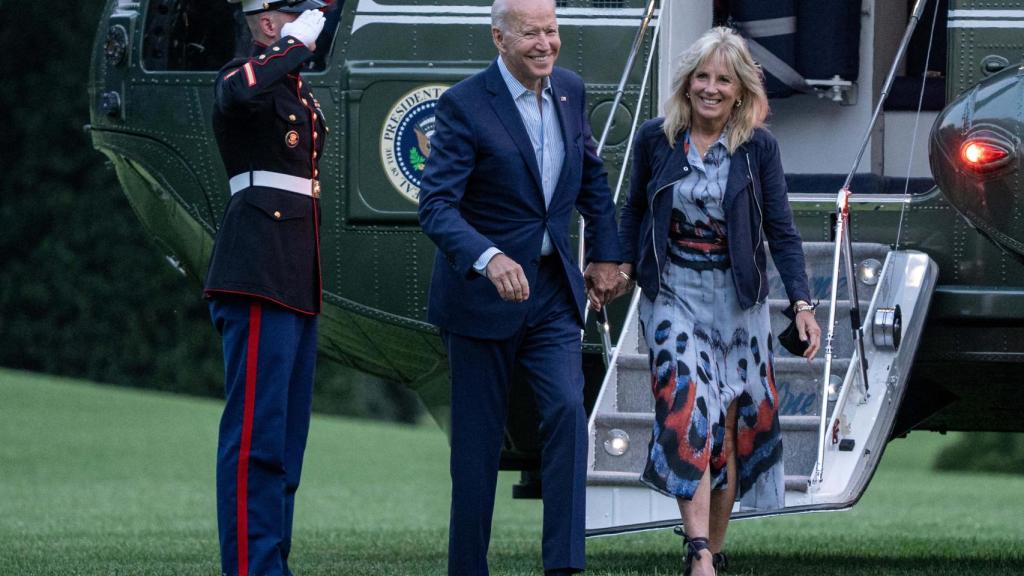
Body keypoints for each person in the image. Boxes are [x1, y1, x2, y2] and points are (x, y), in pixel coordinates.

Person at [417, 0, 622, 573]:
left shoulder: (570, 91)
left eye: (552, 31)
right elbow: (436, 206)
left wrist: (607, 253)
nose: (545, 43)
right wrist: (488, 258)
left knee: (565, 414)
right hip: (480, 302)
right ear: (499, 39)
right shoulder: (463, 105)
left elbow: (593, 178)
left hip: (554, 295)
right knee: (478, 450)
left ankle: (563, 564)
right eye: (530, 33)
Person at [615, 27, 821, 576]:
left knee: (732, 428)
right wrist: (618, 265)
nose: (710, 88)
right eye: (701, 77)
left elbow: (782, 230)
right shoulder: (656, 139)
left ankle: (716, 547)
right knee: (689, 416)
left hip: (740, 305)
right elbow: (633, 210)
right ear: (687, 83)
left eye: (722, 79)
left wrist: (802, 303)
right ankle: (697, 550)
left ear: (740, 90)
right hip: (676, 296)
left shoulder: (759, 148)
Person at [203, 1, 328, 575]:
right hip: (257, 268)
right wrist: (294, 45)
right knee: (255, 438)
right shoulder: (241, 75)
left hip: (295, 274)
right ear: (269, 22)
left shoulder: (294, 89)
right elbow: (239, 93)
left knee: (286, 443)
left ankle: (272, 561)